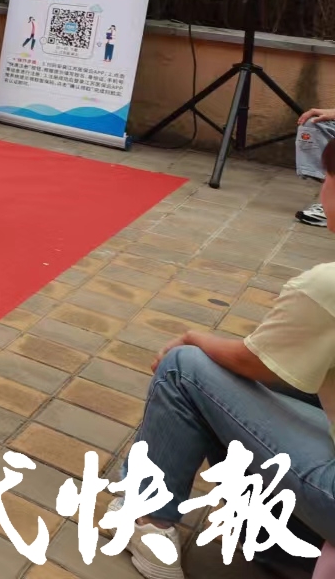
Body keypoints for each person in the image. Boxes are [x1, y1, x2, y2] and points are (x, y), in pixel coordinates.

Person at [123, 144, 335, 579]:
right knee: (266, 380)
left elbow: (252, 362)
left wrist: (194, 337)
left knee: (185, 368)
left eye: (325, 178)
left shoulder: (325, 286)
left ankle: (149, 518)